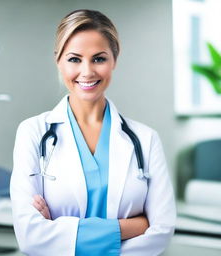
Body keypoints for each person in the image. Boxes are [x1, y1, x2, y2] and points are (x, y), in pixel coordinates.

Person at [10, 9, 176, 256]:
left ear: (114, 61)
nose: (87, 71)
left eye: (99, 59)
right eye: (74, 59)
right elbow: (31, 237)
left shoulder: (146, 139)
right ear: (58, 61)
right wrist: (134, 226)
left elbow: (161, 232)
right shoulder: (33, 132)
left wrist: (60, 229)